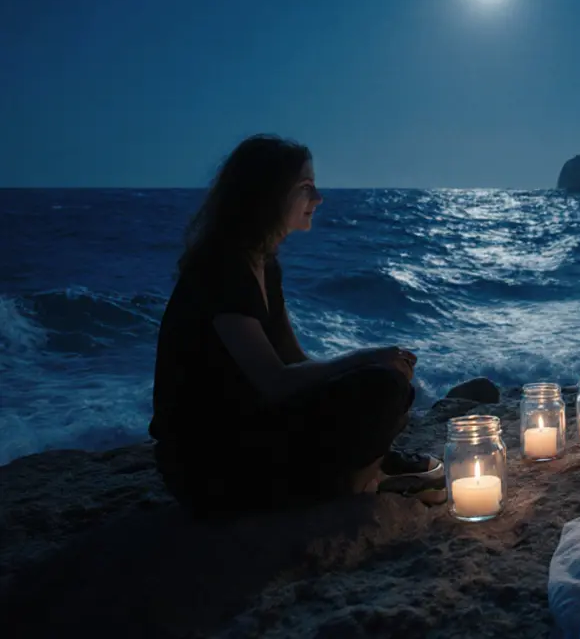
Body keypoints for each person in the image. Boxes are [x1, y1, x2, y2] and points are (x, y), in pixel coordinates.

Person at [150, 134, 442, 519]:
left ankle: (365, 473)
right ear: (268, 195)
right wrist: (364, 359)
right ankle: (359, 482)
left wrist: (374, 366)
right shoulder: (222, 269)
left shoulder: (263, 264)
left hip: (253, 431)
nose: (318, 198)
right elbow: (274, 381)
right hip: (209, 464)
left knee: (388, 382)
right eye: (306, 188)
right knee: (382, 386)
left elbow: (294, 363)